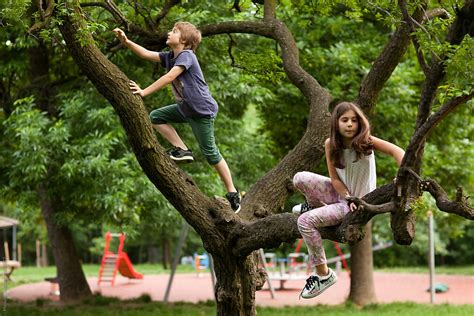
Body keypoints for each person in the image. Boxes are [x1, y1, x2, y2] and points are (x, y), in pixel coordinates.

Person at [113, 22, 241, 212]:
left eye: (174, 31)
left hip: (201, 111)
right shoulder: (170, 56)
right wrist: (127, 42)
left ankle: (232, 192)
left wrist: (143, 92)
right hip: (185, 108)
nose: (168, 33)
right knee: (155, 117)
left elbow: (170, 77)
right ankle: (182, 149)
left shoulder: (187, 56)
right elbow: (146, 54)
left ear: (184, 41)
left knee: (211, 153)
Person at [292, 102, 405, 299]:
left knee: (305, 221)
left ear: (360, 123)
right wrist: (346, 196)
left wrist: (402, 179)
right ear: (336, 123)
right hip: (342, 195)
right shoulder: (331, 144)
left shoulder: (367, 141)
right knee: (299, 178)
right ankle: (315, 206)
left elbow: (399, 152)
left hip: (357, 204)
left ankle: (323, 274)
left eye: (354, 120)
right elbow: (335, 179)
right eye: (345, 120)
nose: (350, 124)